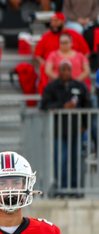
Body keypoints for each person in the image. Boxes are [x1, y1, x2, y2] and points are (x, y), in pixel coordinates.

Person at [41, 61, 90, 193]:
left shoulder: (79, 86)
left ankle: (75, 189)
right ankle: (62, 189)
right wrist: (62, 106)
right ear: (58, 71)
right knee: (61, 160)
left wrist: (85, 125)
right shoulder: (51, 87)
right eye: (63, 70)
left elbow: (87, 105)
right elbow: (44, 105)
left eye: (68, 69)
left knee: (76, 160)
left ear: (72, 71)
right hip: (59, 131)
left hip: (77, 130)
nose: (65, 72)